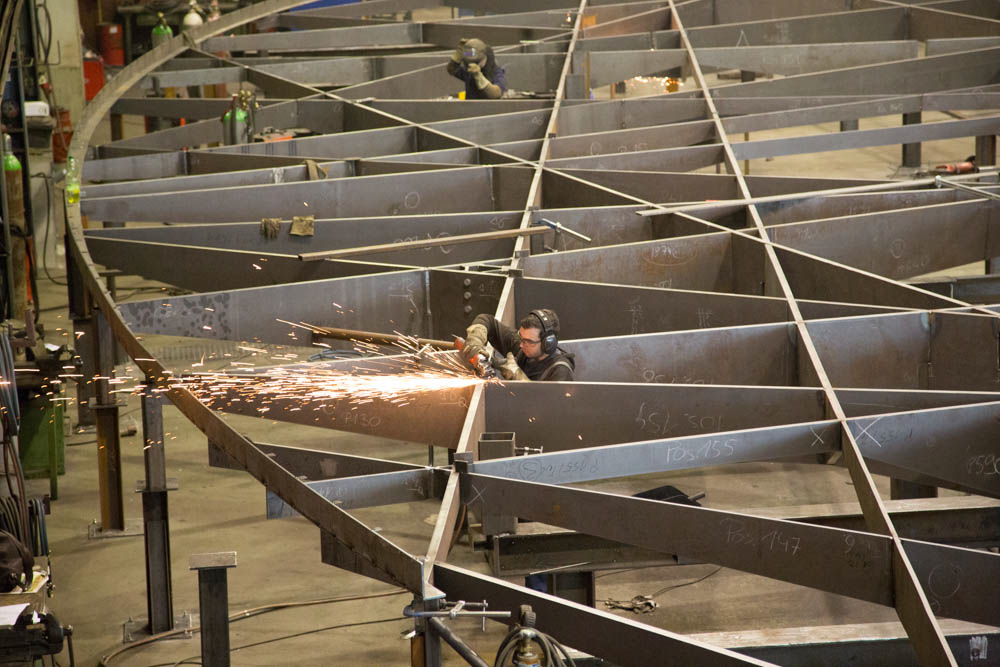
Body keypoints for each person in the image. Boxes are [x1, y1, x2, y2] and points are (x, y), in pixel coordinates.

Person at [461, 309, 574, 381]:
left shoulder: (560, 372)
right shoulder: (525, 349)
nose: (521, 345)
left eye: (528, 341)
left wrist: (518, 377)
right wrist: (475, 341)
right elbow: (487, 320)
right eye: (522, 338)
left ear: (548, 343)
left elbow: (549, 410)